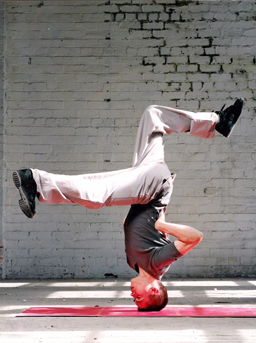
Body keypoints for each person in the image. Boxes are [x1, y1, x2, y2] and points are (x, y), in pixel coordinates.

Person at [12, 98, 244, 311]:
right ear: (154, 290)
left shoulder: (134, 263)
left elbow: (133, 225)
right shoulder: (157, 265)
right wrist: (163, 226)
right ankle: (35, 182)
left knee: (153, 115)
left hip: (148, 182)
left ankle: (219, 122)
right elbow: (195, 237)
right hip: (154, 189)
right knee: (98, 192)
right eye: (139, 299)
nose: (133, 296)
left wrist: (133, 224)